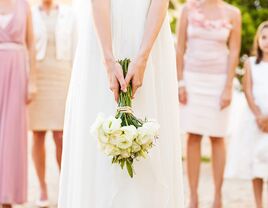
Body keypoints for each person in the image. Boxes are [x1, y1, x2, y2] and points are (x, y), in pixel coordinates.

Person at [58, 0, 184, 207]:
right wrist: (108, 60)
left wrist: (143, 58)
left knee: (149, 120)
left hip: (149, 34)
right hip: (103, 36)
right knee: (97, 123)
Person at [176, 0, 241, 207]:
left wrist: (228, 86)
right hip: (192, 79)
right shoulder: (187, 9)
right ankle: (193, 196)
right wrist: (180, 82)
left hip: (219, 81)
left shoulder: (233, 13)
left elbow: (234, 52)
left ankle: (218, 196)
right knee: (193, 136)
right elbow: (179, 48)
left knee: (217, 136)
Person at [29, 0, 75, 206]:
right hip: (37, 77)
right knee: (38, 134)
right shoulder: (31, 13)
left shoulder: (69, 14)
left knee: (60, 135)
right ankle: (42, 188)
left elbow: (76, 49)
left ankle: (65, 185)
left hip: (62, 76)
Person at [226, 21, 268, 208]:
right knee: (256, 164)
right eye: (264, 37)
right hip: (254, 119)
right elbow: (248, 90)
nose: (267, 41)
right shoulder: (251, 63)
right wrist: (259, 115)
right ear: (258, 40)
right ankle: (259, 204)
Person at [0, 0, 36, 207]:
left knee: (13, 132)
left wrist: (33, 80)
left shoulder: (24, 5)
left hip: (16, 70)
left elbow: (31, 45)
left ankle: (8, 194)